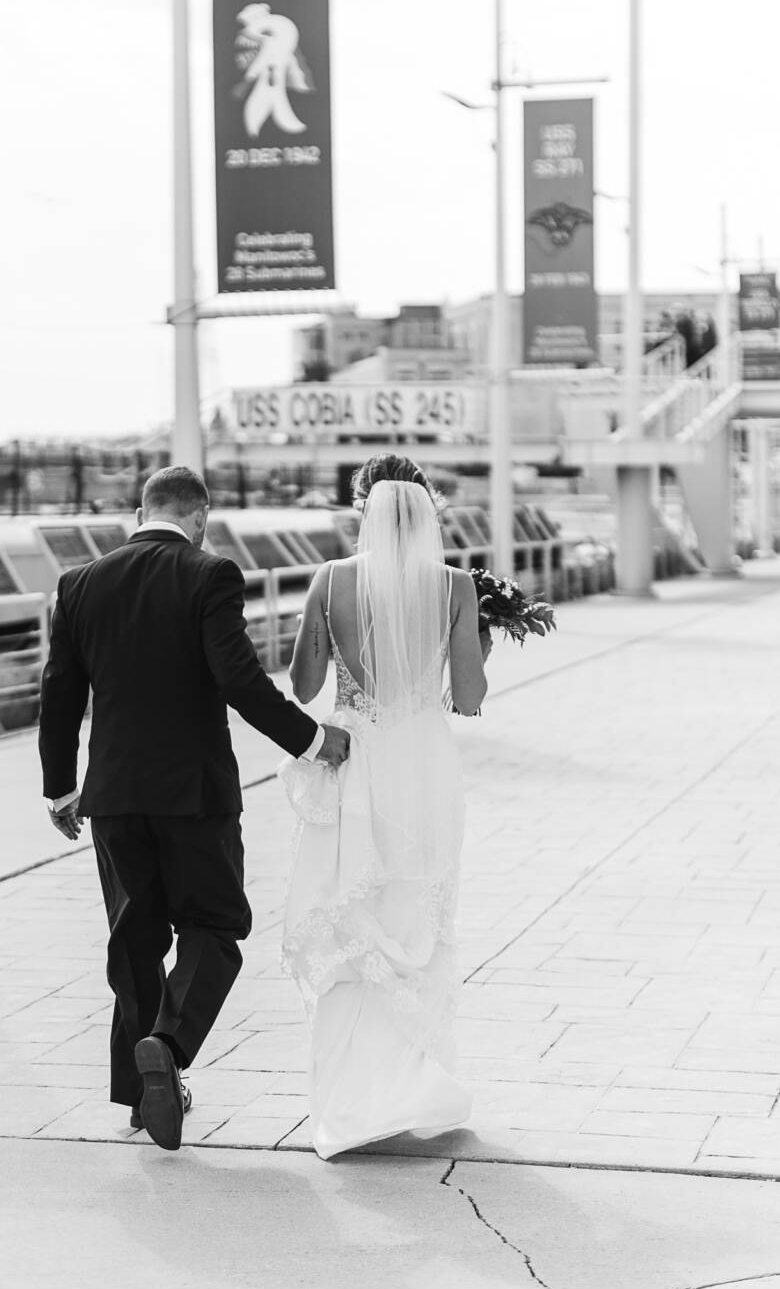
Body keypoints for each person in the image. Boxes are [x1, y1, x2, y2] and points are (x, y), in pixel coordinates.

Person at [38, 465, 351, 1151]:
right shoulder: (208, 574)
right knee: (213, 927)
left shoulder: (79, 583)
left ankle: (136, 1094)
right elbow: (237, 677)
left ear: (142, 509)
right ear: (199, 515)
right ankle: (168, 1048)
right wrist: (310, 738)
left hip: (113, 795)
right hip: (193, 794)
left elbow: (59, 692)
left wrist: (59, 787)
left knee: (134, 938)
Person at [281, 453, 490, 1159]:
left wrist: (323, 632)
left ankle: (349, 1094)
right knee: (419, 913)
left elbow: (304, 685)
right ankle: (412, 1082)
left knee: (354, 914)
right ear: (428, 511)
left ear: (363, 508)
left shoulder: (332, 580)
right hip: (423, 767)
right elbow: (467, 697)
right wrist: (475, 638)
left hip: (359, 763)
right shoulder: (455, 586)